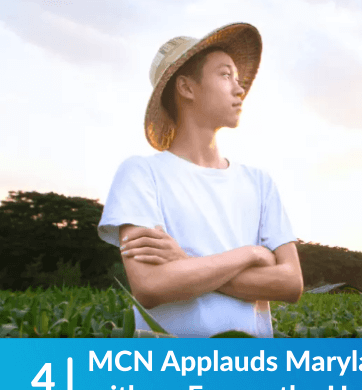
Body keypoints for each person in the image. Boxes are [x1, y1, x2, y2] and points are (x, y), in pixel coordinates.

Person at [97, 23, 303, 337]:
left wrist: (186, 262)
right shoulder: (140, 173)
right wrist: (250, 254)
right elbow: (150, 286)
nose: (239, 89)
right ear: (187, 88)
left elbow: (291, 283)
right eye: (225, 75)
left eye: (237, 78)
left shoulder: (260, 182)